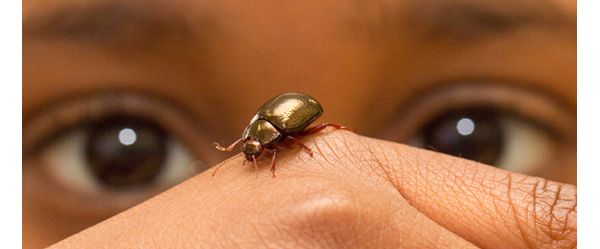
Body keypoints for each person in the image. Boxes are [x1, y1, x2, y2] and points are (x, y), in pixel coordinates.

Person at [23, 0, 576, 248]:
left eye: (476, 133)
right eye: (119, 159)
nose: (306, 213)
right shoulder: (261, 134)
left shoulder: (286, 133)